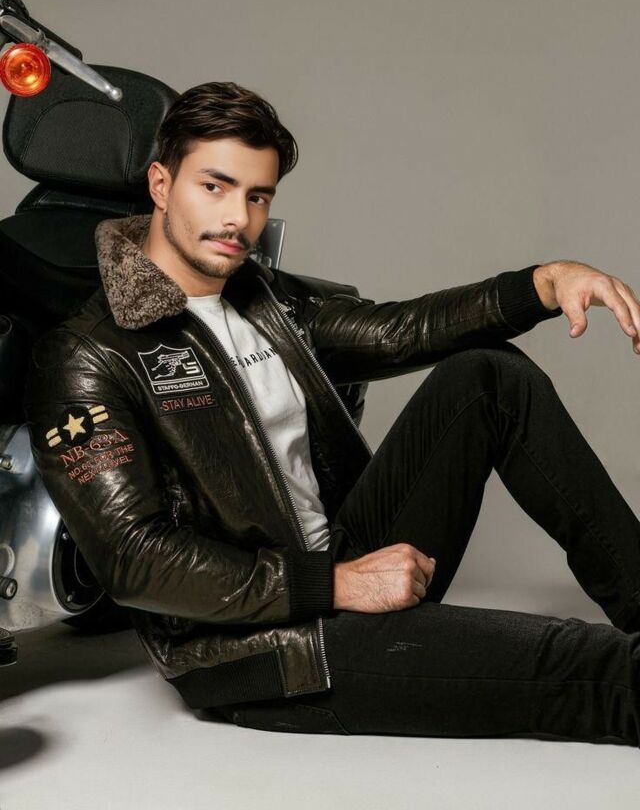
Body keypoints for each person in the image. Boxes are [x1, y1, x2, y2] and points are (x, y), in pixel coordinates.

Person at [24, 81, 640, 746]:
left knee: (490, 375)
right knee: (592, 669)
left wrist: (543, 284)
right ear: (161, 184)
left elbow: (398, 332)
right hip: (265, 646)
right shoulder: (87, 354)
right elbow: (134, 559)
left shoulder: (264, 300)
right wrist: (335, 585)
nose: (237, 218)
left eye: (257, 196)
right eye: (215, 187)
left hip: (351, 563)